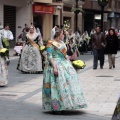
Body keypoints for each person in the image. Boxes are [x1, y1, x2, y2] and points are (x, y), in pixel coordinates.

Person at [42, 29, 87, 113]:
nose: (63, 36)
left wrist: (71, 64)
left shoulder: (62, 43)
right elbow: (50, 57)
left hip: (64, 63)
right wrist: (55, 67)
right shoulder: (50, 43)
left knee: (68, 83)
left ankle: (69, 103)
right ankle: (57, 105)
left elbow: (66, 55)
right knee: (57, 86)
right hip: (54, 64)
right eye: (63, 35)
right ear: (58, 35)